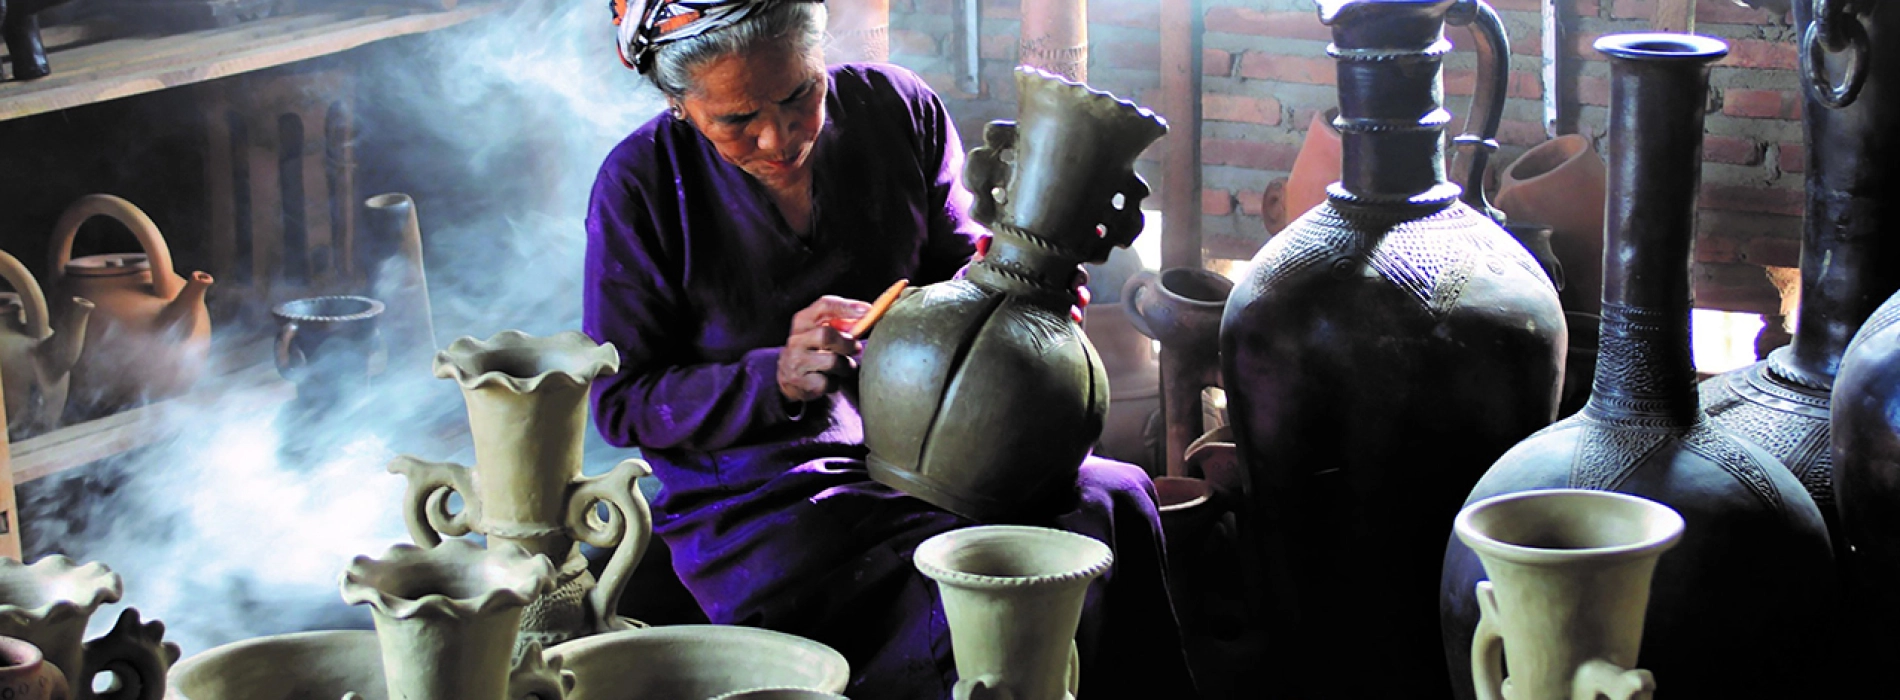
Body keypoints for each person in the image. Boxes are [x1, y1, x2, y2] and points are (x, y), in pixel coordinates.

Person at [583, 0, 1197, 696]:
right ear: (679, 103)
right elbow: (621, 400)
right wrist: (773, 377)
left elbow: (964, 271)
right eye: (737, 121)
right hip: (766, 492)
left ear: (820, 58)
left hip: (945, 438)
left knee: (1114, 498)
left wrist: (1025, 302)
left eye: (799, 96)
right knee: (957, 584)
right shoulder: (641, 185)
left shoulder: (898, 110)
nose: (779, 137)